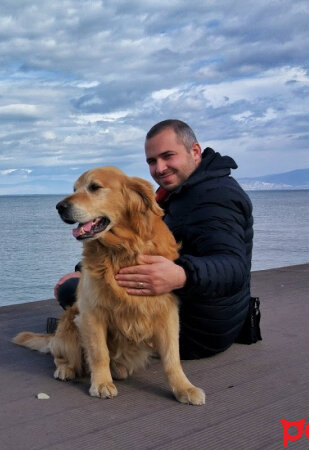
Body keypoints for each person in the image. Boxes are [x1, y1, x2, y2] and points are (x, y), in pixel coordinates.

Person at [53, 119, 255, 359]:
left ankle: (82, 340)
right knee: (81, 286)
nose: (160, 168)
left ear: (195, 151)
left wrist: (181, 275)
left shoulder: (217, 197)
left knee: (73, 292)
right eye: (152, 161)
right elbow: (134, 242)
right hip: (200, 314)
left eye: (168, 156)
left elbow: (234, 266)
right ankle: (82, 335)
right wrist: (83, 269)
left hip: (199, 331)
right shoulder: (181, 191)